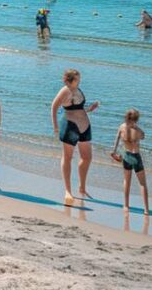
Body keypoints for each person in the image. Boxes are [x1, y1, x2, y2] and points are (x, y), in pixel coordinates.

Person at [50, 68, 99, 205]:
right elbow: (54, 107)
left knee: (87, 157)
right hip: (70, 126)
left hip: (85, 127)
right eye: (78, 78)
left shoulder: (78, 89)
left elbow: (79, 108)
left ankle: (82, 187)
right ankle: (68, 190)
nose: (80, 79)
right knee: (68, 157)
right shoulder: (65, 90)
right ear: (71, 79)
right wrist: (55, 127)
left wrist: (90, 109)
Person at [111, 108, 149, 214]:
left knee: (127, 181)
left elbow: (117, 139)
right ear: (135, 120)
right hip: (136, 156)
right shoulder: (137, 131)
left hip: (126, 155)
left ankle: (126, 205)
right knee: (142, 183)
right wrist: (136, 127)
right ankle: (146, 209)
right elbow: (143, 136)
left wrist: (114, 152)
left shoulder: (121, 127)